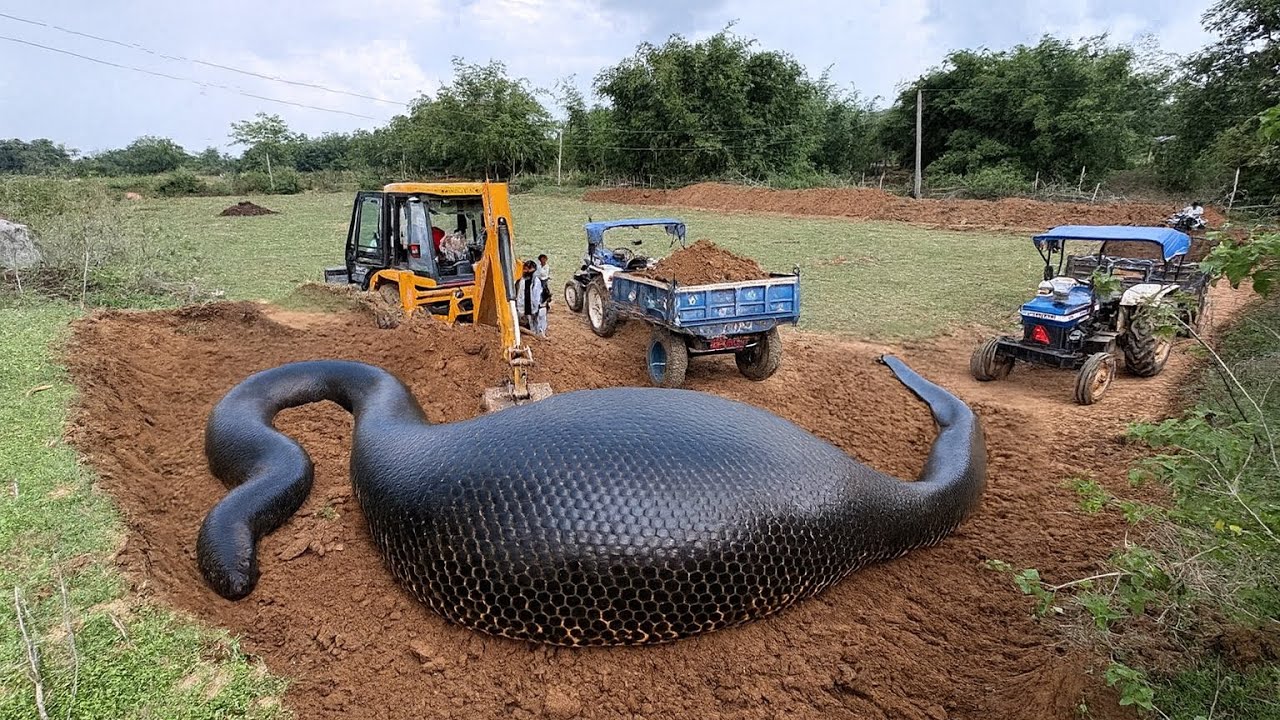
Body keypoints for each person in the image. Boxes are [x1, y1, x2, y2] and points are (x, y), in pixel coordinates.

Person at [515, 260, 550, 338]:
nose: (527, 271)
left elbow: (542, 298)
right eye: (525, 269)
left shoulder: (538, 282)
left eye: (529, 269)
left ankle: (540, 332)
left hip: (536, 309)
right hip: (524, 311)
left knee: (541, 312)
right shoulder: (519, 282)